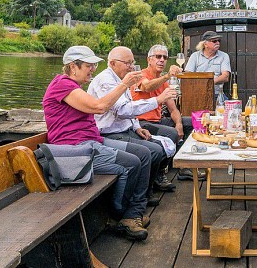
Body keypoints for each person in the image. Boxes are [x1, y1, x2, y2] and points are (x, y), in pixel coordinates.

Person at [42, 45, 151, 241]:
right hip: (75, 150)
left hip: (92, 142)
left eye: (94, 65)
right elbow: (99, 107)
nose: (93, 69)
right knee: (131, 163)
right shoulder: (62, 85)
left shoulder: (73, 87)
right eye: (88, 65)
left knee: (143, 154)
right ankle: (122, 217)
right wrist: (124, 84)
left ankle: (133, 211)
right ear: (73, 67)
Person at [88, 46, 179, 200]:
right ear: (112, 63)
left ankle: (146, 191)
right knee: (151, 152)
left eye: (132, 63)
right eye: (127, 63)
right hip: (110, 133)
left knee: (159, 147)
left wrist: (137, 127)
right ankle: (138, 199)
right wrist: (157, 99)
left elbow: (128, 105)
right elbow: (123, 110)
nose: (131, 67)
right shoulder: (106, 80)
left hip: (126, 129)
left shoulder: (121, 79)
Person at [132, 44, 198, 181]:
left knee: (192, 122)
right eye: (158, 57)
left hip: (157, 120)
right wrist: (167, 75)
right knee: (171, 133)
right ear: (149, 59)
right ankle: (159, 174)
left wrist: (179, 123)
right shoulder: (140, 74)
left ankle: (183, 166)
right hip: (141, 122)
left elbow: (173, 109)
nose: (162, 60)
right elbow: (147, 87)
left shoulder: (164, 82)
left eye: (165, 57)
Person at [184, 30, 231, 102]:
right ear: (205, 44)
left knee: (228, 110)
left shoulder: (224, 56)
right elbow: (188, 75)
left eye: (219, 40)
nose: (218, 43)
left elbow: (226, 77)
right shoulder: (195, 56)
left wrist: (210, 83)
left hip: (216, 94)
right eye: (214, 41)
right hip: (198, 93)